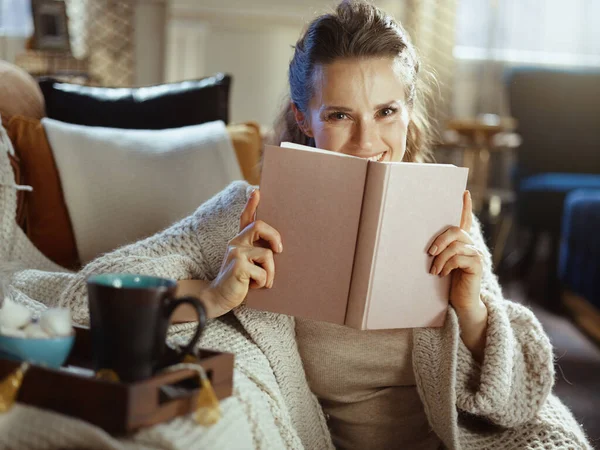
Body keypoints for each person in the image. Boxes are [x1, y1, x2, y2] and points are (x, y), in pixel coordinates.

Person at [1, 1, 590, 449]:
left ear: (409, 113)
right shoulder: (249, 209)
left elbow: (516, 403)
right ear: (303, 120)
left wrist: (476, 313)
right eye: (339, 115)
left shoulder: (442, 210)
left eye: (386, 112)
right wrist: (214, 293)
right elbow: (92, 294)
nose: (368, 144)